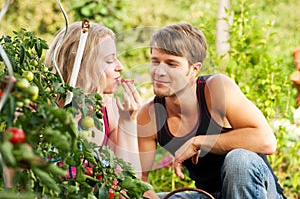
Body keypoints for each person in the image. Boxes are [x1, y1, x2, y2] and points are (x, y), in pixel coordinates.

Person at [137, 23, 286, 199]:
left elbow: (266, 140)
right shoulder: (150, 115)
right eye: (155, 61)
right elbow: (140, 180)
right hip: (209, 196)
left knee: (239, 160)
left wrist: (199, 142)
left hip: (258, 192)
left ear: (194, 69)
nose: (159, 71)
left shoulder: (216, 90)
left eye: (171, 63)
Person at [44, 20, 141, 168]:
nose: (120, 66)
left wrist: (128, 121)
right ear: (80, 67)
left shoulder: (107, 111)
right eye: (109, 60)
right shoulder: (42, 115)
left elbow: (127, 183)